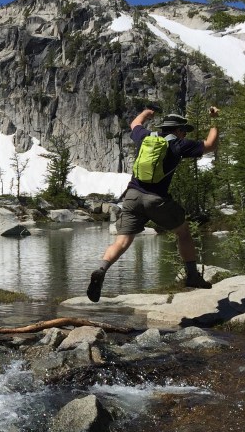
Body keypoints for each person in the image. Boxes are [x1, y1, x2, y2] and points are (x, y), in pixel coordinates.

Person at [87, 105, 220, 302]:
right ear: (177, 130)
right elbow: (211, 144)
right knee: (183, 231)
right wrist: (214, 120)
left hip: (131, 196)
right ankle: (192, 275)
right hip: (156, 199)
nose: (184, 134)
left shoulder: (145, 137)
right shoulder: (178, 145)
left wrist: (147, 112)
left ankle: (101, 269)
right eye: (183, 130)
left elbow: (135, 123)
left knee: (122, 241)